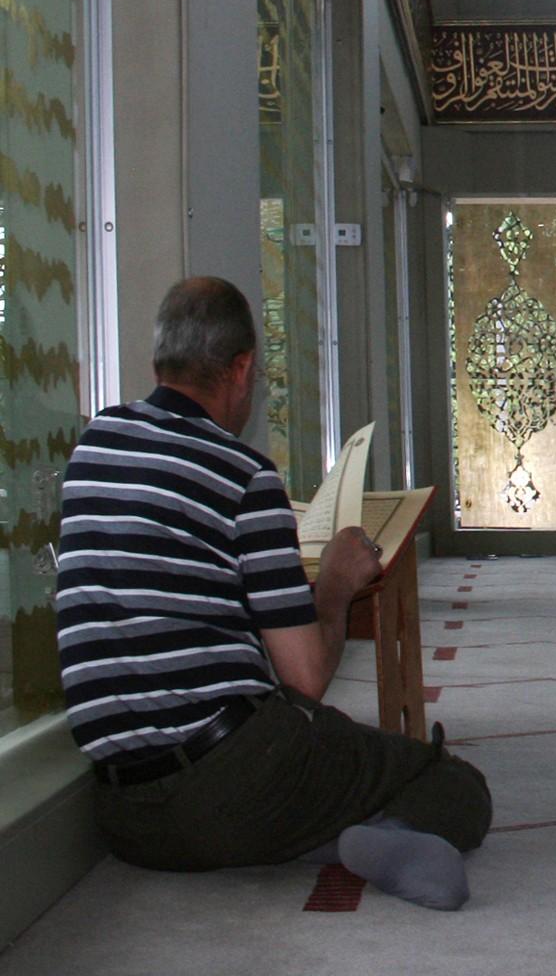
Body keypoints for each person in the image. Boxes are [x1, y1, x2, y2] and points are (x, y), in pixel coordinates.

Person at [54, 276, 491, 910]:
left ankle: (323, 833)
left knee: (304, 780)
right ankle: (390, 836)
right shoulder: (244, 475)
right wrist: (337, 586)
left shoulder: (93, 448)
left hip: (127, 816)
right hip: (234, 783)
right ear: (242, 368)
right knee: (450, 779)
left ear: (159, 361)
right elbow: (304, 680)